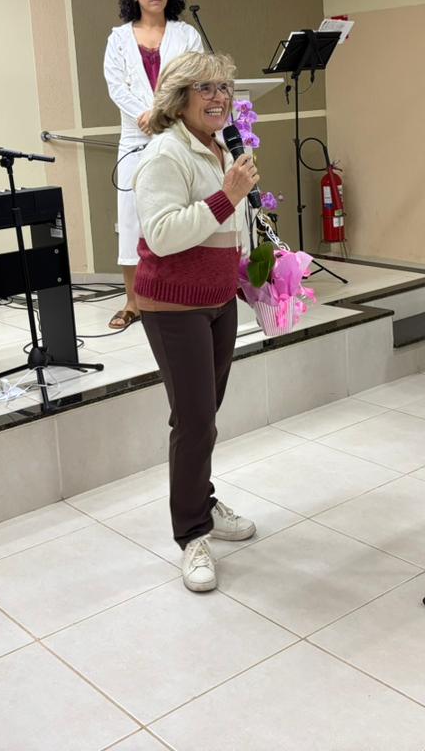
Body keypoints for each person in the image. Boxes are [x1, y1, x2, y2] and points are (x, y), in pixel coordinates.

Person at [132, 50, 259, 592]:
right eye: (205, 88)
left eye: (224, 87)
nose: (219, 97)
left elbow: (229, 225)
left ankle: (201, 501)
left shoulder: (220, 147)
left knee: (204, 415)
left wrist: (248, 269)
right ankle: (191, 534)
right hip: (174, 305)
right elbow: (162, 235)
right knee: (194, 420)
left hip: (218, 299)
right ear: (178, 97)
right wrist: (228, 196)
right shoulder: (165, 154)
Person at [103, 0, 205, 331]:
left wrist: (163, 112)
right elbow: (116, 86)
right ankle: (132, 302)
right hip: (136, 134)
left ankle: (180, 291)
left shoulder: (186, 34)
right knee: (132, 216)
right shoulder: (118, 39)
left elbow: (195, 79)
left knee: (181, 210)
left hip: (178, 132)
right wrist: (145, 114)